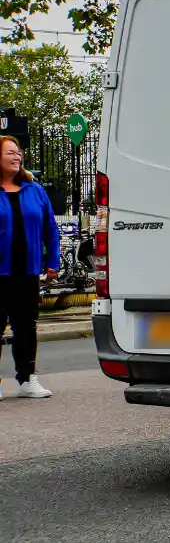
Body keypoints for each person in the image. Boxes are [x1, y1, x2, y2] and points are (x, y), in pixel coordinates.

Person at [0, 135, 59, 400]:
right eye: (10, 152)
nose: (16, 156)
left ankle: (27, 379)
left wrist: (52, 262)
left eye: (18, 152)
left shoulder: (34, 190)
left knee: (26, 325)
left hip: (27, 270)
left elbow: (50, 228)